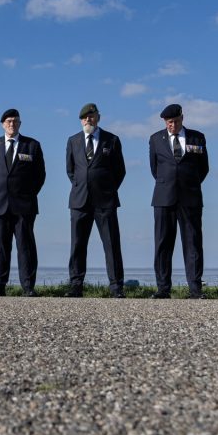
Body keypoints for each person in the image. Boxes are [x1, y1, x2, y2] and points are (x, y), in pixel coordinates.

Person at [65, 103, 126, 298]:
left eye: (91, 116)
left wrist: (106, 188)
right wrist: (82, 185)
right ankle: (76, 286)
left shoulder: (112, 140)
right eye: (84, 118)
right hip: (79, 201)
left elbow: (120, 170)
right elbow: (70, 170)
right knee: (77, 245)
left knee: (111, 245)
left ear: (98, 117)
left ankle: (116, 287)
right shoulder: (73, 141)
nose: (87, 120)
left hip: (105, 201)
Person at [0, 108, 46, 296]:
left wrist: (27, 193)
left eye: (15, 121)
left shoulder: (32, 145)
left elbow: (40, 175)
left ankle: (28, 286)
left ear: (20, 124)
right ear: (3, 124)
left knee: (25, 246)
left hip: (24, 205)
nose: (12, 124)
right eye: (9, 121)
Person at [149, 103, 209, 298]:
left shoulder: (197, 137)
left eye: (174, 121)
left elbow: (203, 169)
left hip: (190, 198)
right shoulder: (156, 139)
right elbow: (155, 169)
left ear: (182, 118)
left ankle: (195, 289)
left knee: (192, 243)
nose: (171, 125)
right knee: (163, 244)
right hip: (163, 198)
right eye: (168, 122)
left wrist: (188, 184)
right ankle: (163, 288)